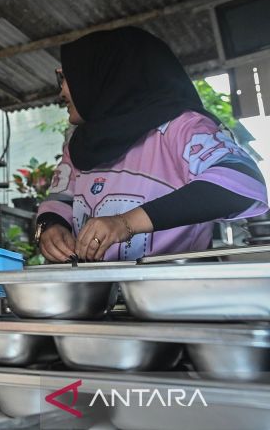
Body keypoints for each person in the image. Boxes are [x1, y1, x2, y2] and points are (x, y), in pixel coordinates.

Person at [36, 26, 268, 263]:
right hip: (98, 294)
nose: (61, 91)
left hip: (176, 291)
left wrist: (125, 223)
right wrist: (51, 227)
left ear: (107, 74)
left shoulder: (182, 127)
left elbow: (243, 183)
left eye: (66, 78)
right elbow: (61, 200)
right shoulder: (80, 144)